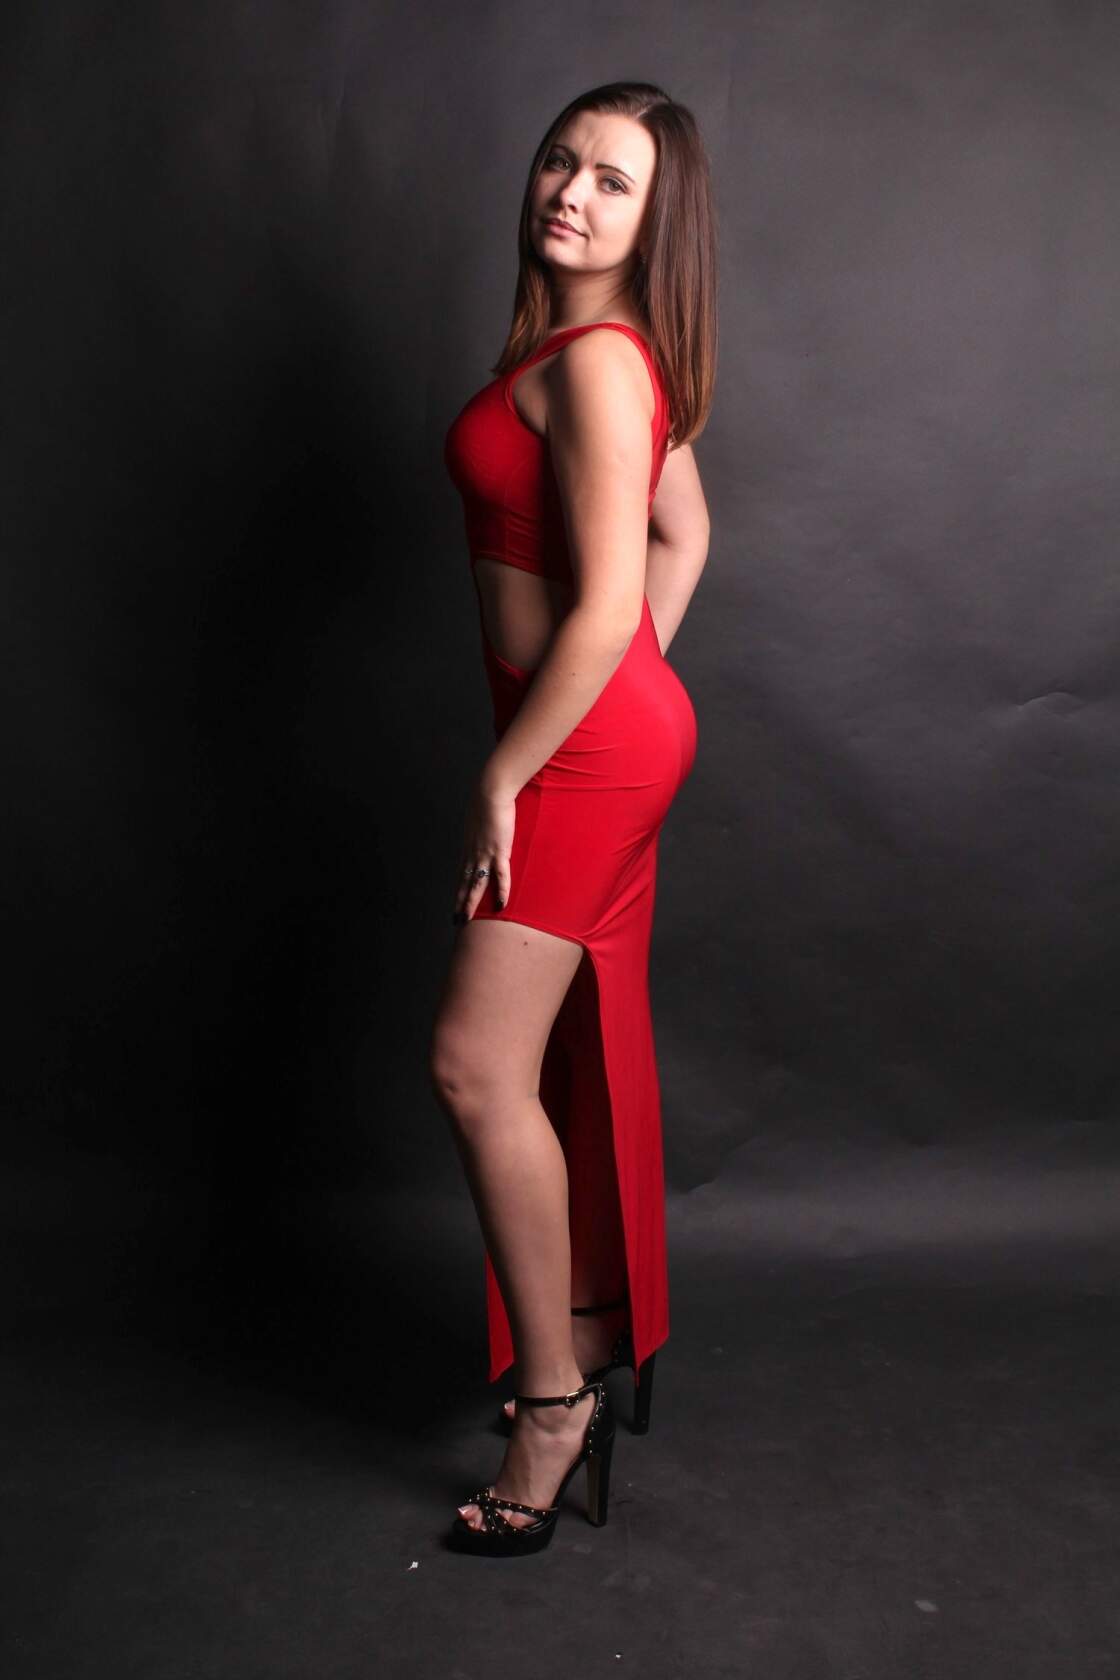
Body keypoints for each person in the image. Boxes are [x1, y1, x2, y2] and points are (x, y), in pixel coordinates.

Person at [435, 80, 717, 1556]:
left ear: (657, 222)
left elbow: (611, 602)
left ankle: (557, 1404)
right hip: (597, 732)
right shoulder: (579, 350)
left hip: (576, 751)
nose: (572, 192)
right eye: (563, 160)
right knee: (556, 1054)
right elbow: (687, 529)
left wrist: (517, 766)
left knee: (478, 1066)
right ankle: (596, 1325)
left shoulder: (601, 361)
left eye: (615, 181)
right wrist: (625, 699)